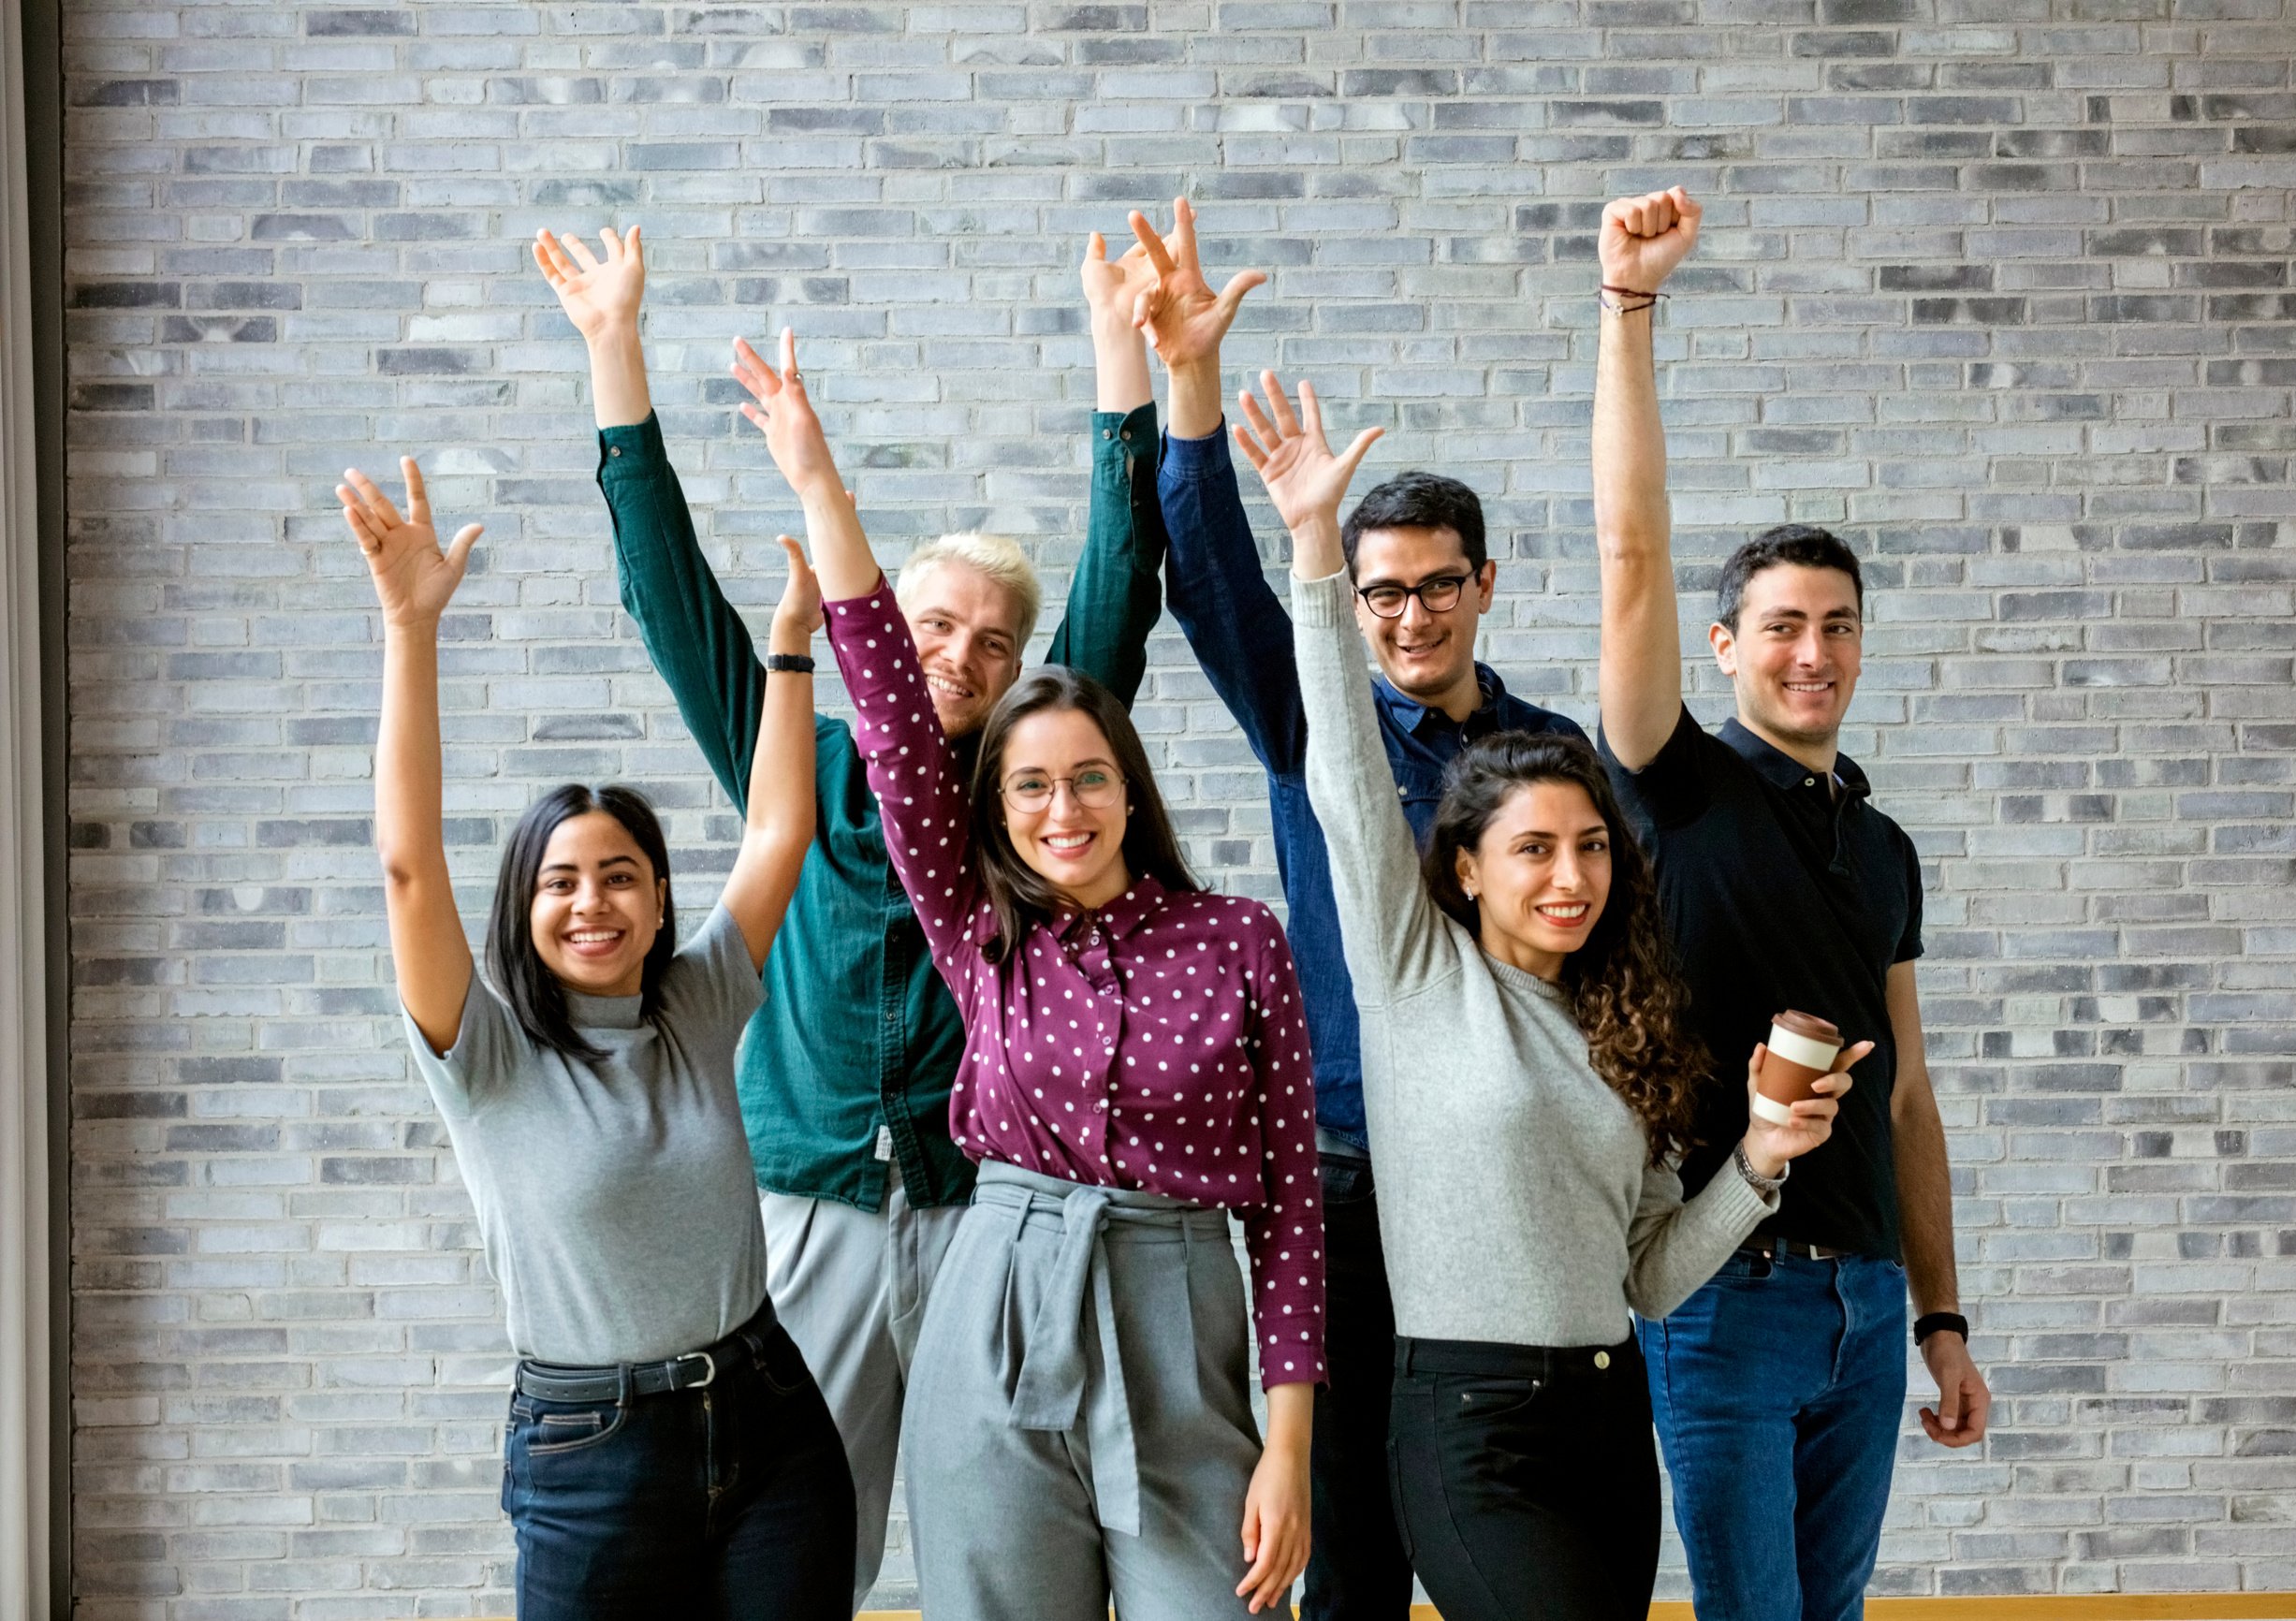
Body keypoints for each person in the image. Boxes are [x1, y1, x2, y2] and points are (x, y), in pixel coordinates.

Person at [533, 223, 1173, 1607]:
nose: (963, 654)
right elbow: (669, 600)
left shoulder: (1030, 803)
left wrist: (1121, 359)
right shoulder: (801, 771)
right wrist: (613, 358)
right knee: (788, 1549)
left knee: (989, 1538)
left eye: (996, 640)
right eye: (934, 625)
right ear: (874, 627)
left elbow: (1118, 600)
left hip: (977, 1208)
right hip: (802, 1205)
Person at [1233, 373, 1852, 1621]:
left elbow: (1650, 1275)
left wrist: (1763, 1158)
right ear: (1464, 867)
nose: (1568, 876)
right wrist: (1310, 547)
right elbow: (1348, 781)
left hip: (1606, 1418)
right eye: (1531, 848)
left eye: (1589, 846)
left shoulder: (1627, 1029)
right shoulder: (1416, 979)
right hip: (1468, 1422)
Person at [744, 325, 1323, 1619]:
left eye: (1086, 778)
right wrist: (817, 484)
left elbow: (1289, 1210)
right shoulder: (981, 929)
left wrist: (1289, 1445)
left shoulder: (1236, 942)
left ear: (1128, 788)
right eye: (1027, 787)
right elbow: (891, 713)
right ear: (991, 815)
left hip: (1181, 1311)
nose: (1060, 809)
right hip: (992, 1300)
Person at [1120, 198, 1589, 1621]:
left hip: (1505, 1165)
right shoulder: (1312, 725)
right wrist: (1187, 389)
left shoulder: (1553, 761)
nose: (1405, 618)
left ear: (1483, 585)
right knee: (1350, 1545)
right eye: (1380, 593)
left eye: (1436, 587)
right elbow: (1209, 581)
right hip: (1338, 1155)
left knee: (1498, 1494)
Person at [344, 456, 853, 1618]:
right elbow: (409, 865)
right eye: (561, 881)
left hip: (769, 1416)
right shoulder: (484, 1051)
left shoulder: (697, 1003)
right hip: (592, 1456)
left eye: (621, 877)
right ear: (523, 907)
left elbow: (777, 832)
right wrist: (409, 629)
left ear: (659, 902)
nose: (593, 904)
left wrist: (789, 644)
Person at [1591, 186, 1994, 1621]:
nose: (1810, 651)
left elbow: (1907, 1105)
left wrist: (1937, 1319)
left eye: (1835, 626)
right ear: (1725, 645)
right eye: (1779, 626)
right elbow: (1630, 556)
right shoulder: (1672, 781)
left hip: (1861, 1309)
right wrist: (1628, 310)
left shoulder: (1880, 848)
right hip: (1720, 1303)